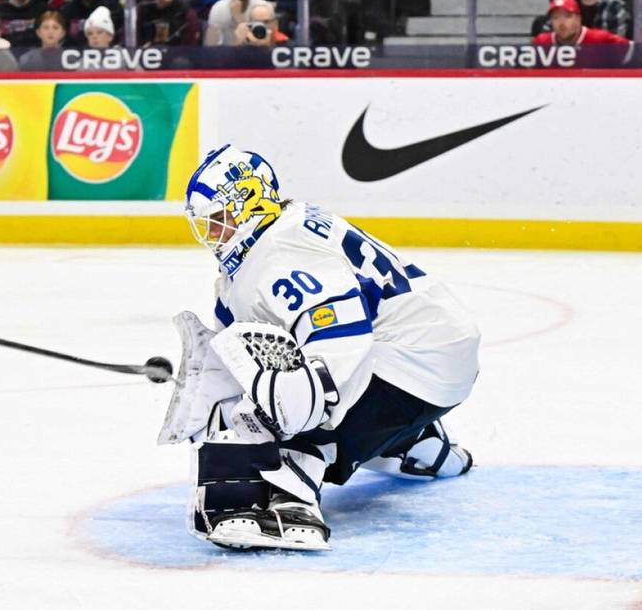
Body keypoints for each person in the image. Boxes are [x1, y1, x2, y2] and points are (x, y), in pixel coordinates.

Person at [160, 146, 479, 551]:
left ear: (249, 205)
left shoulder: (279, 252)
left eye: (220, 221)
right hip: (436, 356)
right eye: (207, 224)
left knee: (291, 403)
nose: (213, 234)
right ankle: (417, 443)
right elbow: (238, 349)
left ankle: (291, 497)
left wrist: (285, 423)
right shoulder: (281, 233)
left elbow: (340, 340)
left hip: (412, 365)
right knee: (277, 383)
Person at [533, 0, 629, 46]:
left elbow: (633, 51)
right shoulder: (542, 41)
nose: (561, 23)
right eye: (555, 17)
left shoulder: (599, 39)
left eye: (567, 16)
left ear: (578, 19)